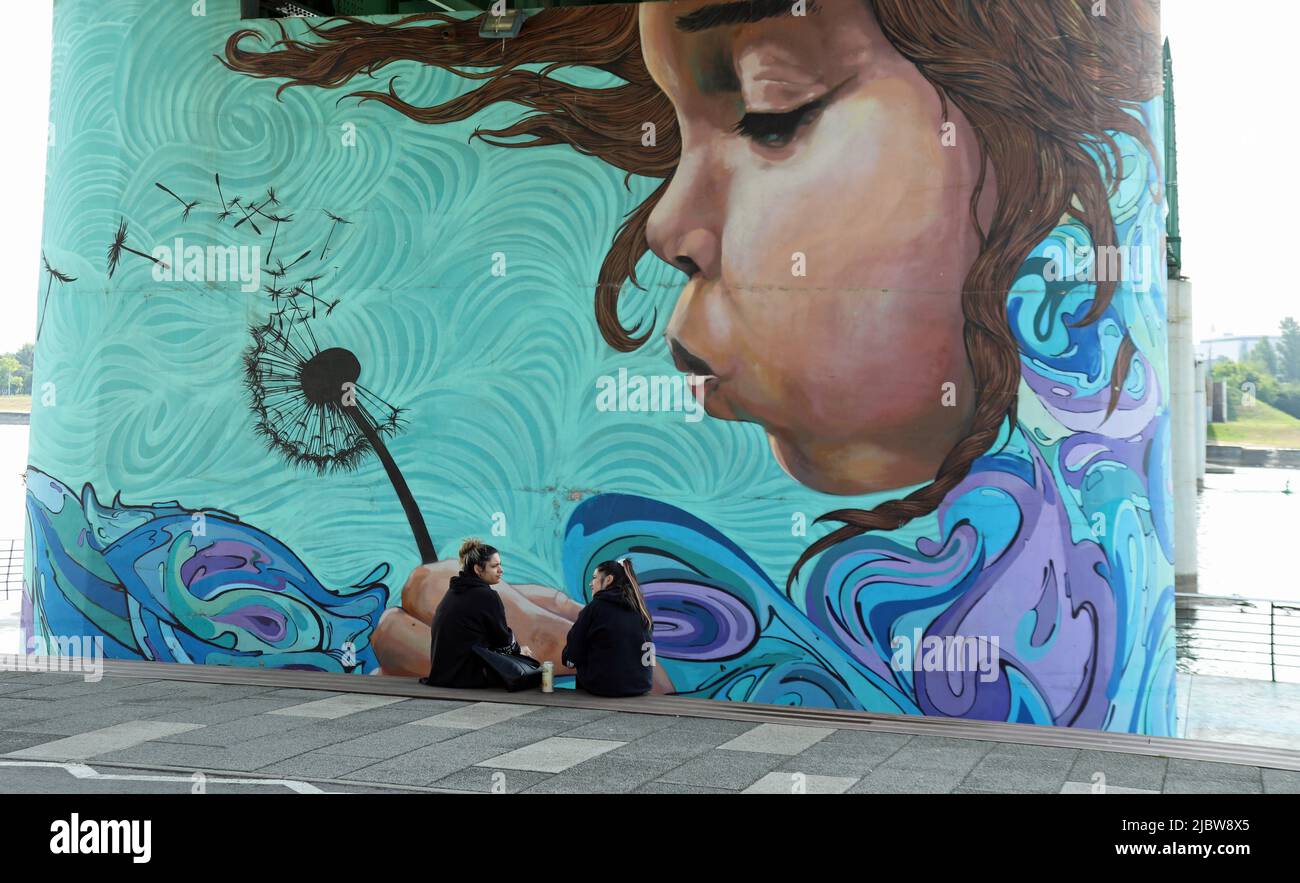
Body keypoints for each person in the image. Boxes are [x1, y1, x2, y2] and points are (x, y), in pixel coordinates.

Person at [420, 538, 530, 688]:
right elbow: (502, 641)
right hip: (468, 678)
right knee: (525, 662)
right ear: (478, 569)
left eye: (500, 565)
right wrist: (519, 651)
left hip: (444, 676)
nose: (501, 570)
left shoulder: (454, 590)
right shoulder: (486, 596)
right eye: (494, 566)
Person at [562, 559, 654, 697]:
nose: (590, 583)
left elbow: (572, 654)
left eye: (594, 578)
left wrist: (569, 659)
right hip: (641, 686)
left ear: (609, 579)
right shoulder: (641, 609)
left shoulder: (596, 607)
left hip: (604, 687)